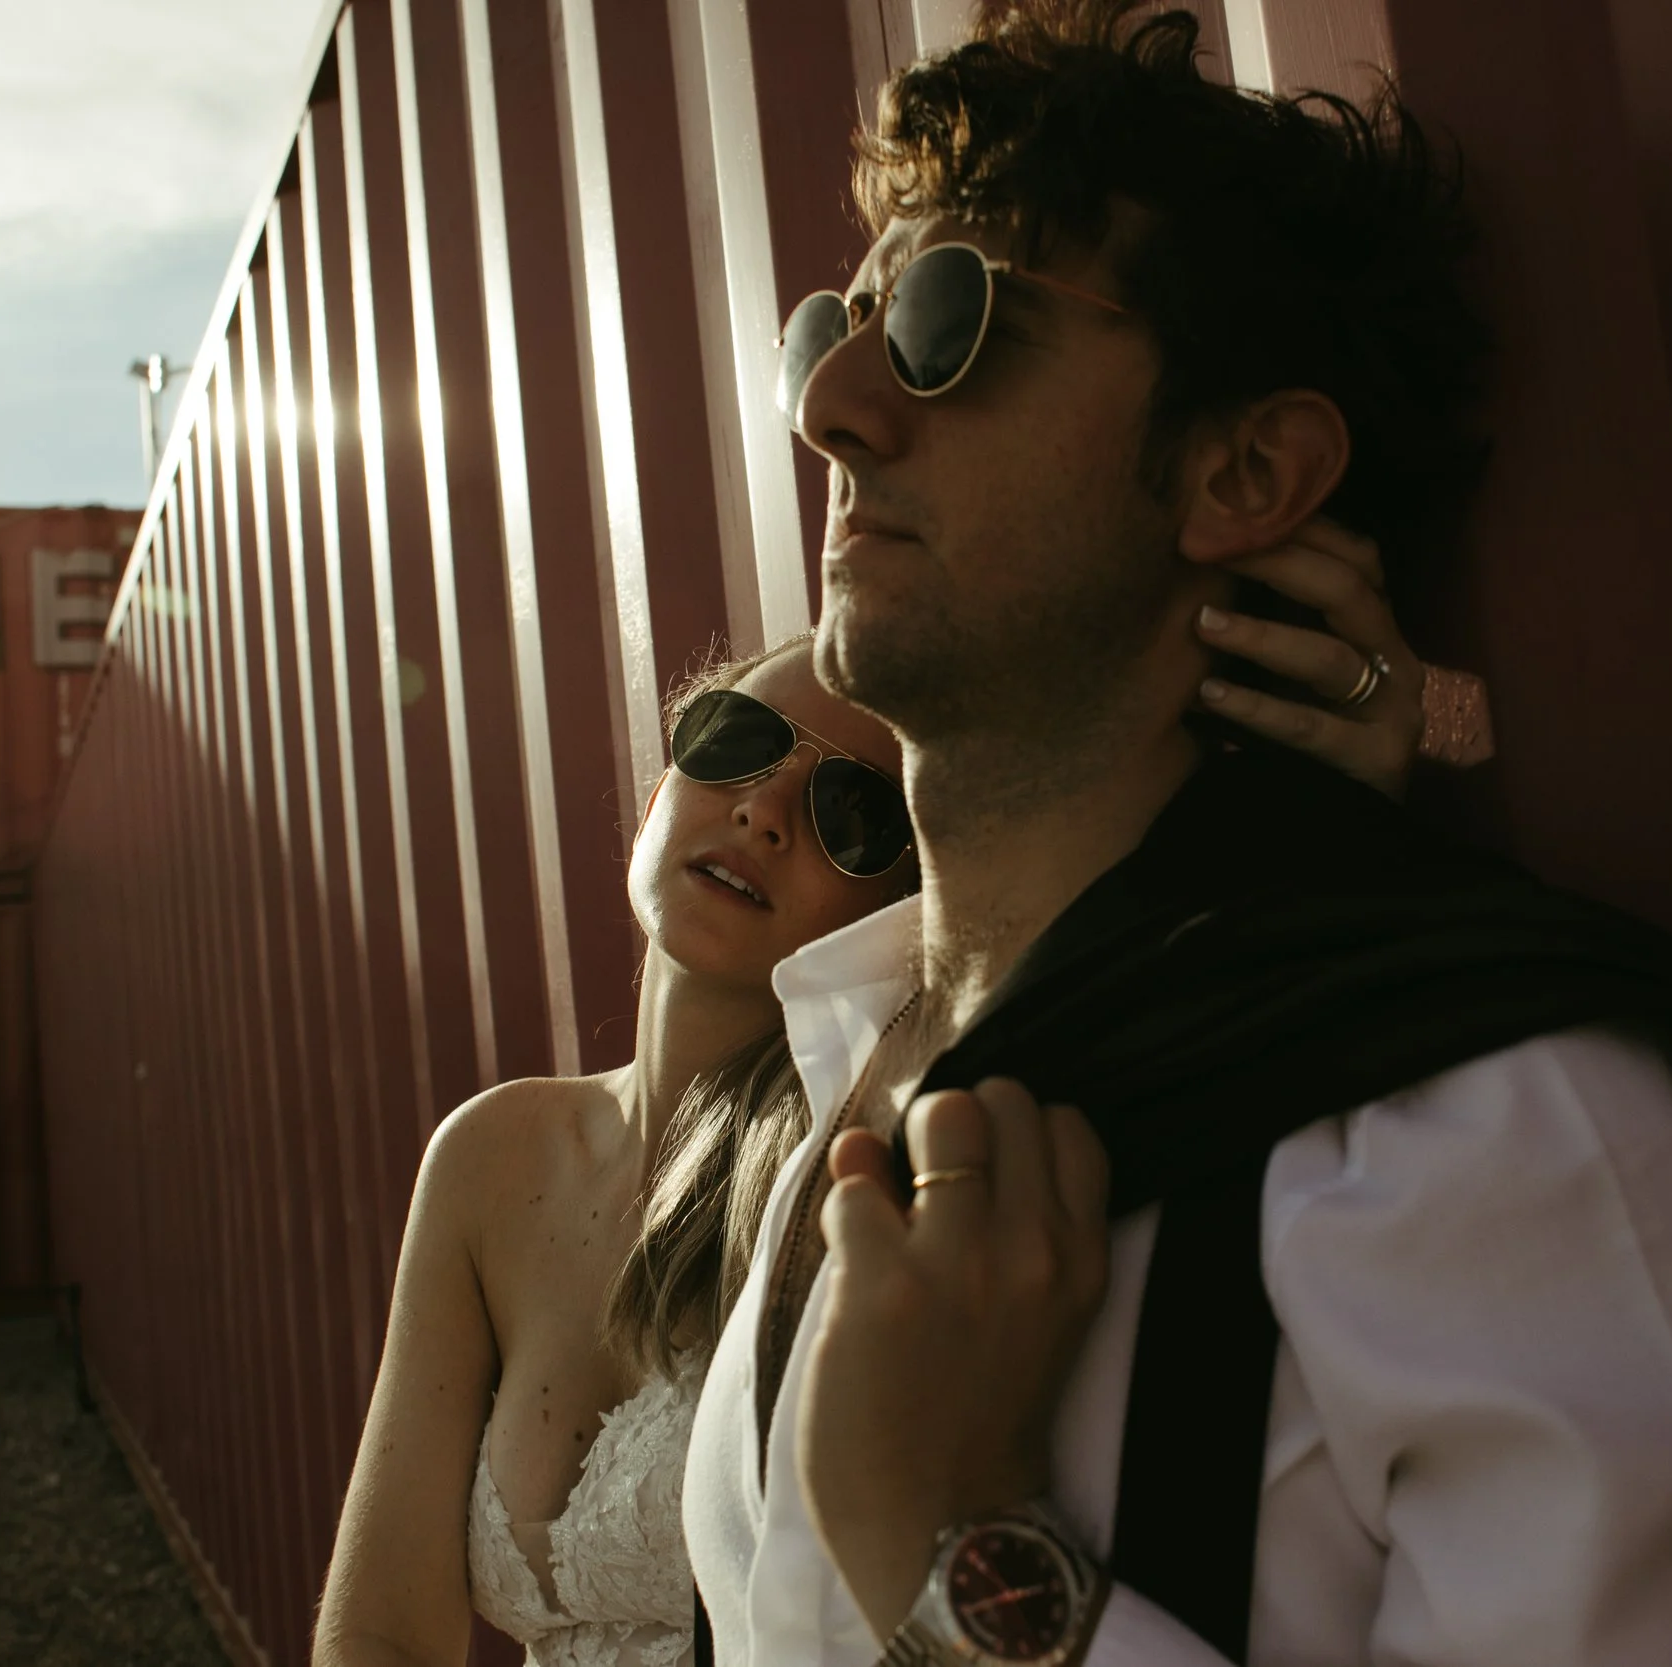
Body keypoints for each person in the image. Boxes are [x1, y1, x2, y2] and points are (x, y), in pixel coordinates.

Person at [681, 3, 1672, 1665]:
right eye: (839, 319)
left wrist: (962, 1552)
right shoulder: (832, 1067)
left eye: (949, 319)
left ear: (1245, 469)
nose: (830, 400)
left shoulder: (1491, 1134)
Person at [309, 510, 1432, 1663]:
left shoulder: (861, 1162)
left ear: (901, 904)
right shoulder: (491, 1153)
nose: (762, 811)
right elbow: (381, 1630)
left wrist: (1333, 813)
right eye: (732, 740)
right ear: (657, 792)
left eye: (852, 809)